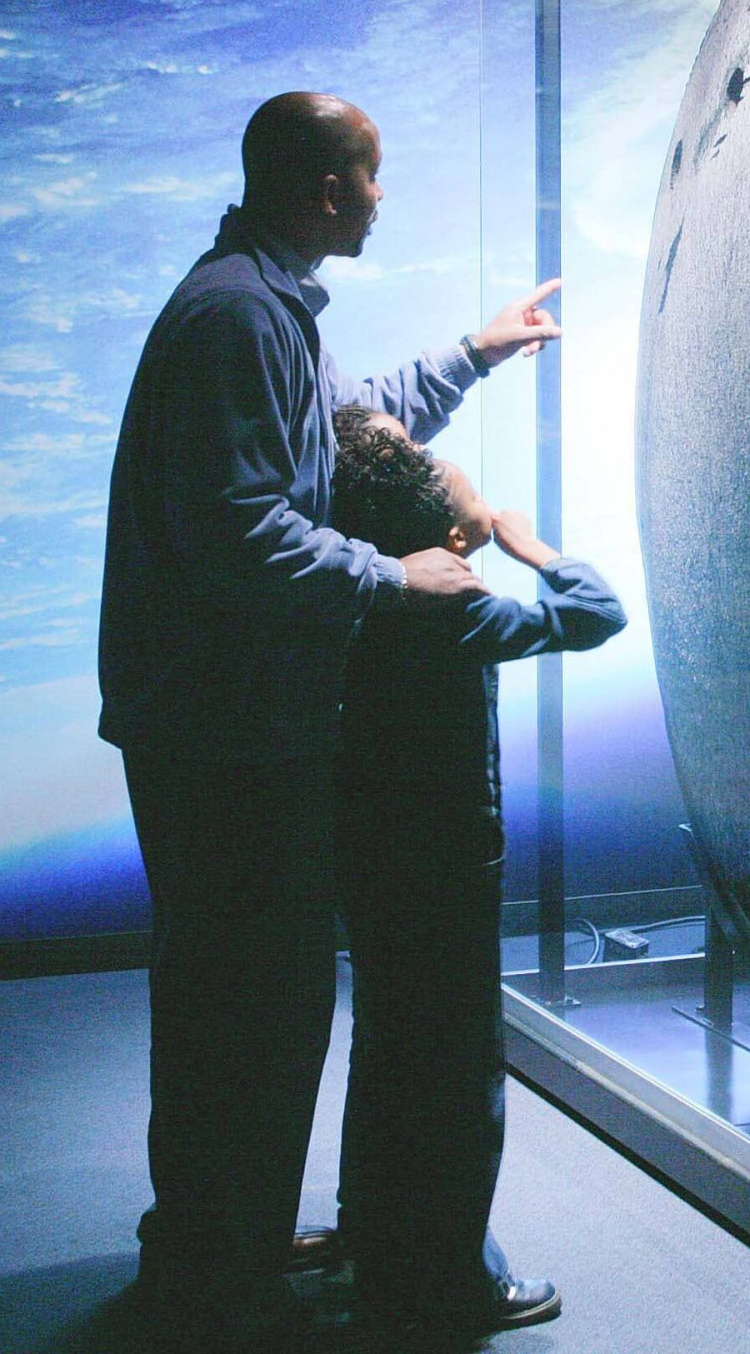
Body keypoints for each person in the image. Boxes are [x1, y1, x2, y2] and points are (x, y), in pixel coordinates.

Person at [97, 90, 559, 1353]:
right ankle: (208, 1277)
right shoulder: (241, 316)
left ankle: (220, 1243)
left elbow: (349, 428)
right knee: (241, 1007)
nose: (379, 194)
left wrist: (473, 351)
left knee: (239, 1000)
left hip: (224, 722)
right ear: (320, 190)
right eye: (367, 174)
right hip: (222, 735)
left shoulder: (259, 303)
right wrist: (395, 579)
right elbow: (242, 526)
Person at [324, 407, 626, 1335]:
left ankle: (369, 1235)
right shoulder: (453, 601)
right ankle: (452, 1279)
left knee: (386, 1049)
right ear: (456, 537)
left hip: (370, 852)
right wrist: (533, 547)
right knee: (456, 1074)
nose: (488, 511)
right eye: (478, 504)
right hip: (448, 863)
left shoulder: (360, 595)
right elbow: (596, 615)